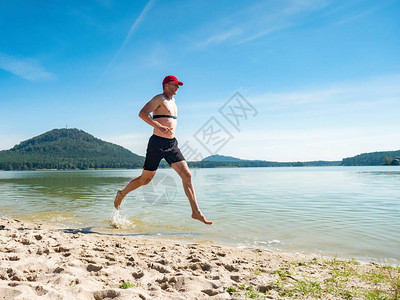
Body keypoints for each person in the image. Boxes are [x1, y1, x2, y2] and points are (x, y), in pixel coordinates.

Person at [114, 75, 213, 225]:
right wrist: (158, 126)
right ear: (166, 85)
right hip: (157, 144)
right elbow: (142, 113)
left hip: (171, 144)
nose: (178, 87)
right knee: (145, 180)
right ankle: (122, 194)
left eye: (178, 85)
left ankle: (195, 211)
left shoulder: (173, 102)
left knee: (187, 174)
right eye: (175, 84)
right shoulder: (159, 98)